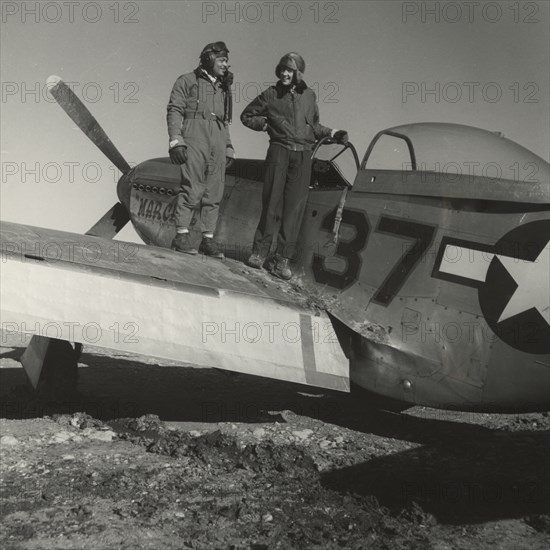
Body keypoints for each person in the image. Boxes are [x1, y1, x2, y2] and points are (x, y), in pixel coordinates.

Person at [240, 52, 348, 280]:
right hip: (279, 151)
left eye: (289, 70)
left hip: (303, 156)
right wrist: (266, 125)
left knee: (293, 212)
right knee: (271, 204)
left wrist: (333, 133)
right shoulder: (271, 94)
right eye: (282, 70)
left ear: (298, 73)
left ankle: (281, 261)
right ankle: (259, 253)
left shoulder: (309, 96)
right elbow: (246, 116)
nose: (284, 74)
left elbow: (314, 127)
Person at [167, 41, 235, 259]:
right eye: (222, 60)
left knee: (214, 191)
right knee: (192, 187)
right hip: (195, 134)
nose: (227, 65)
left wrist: (228, 145)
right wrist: (176, 140)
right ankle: (181, 236)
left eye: (227, 60)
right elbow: (175, 109)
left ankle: (207, 239)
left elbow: (224, 120)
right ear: (208, 59)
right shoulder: (186, 81)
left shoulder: (223, 88)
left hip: (217, 137)